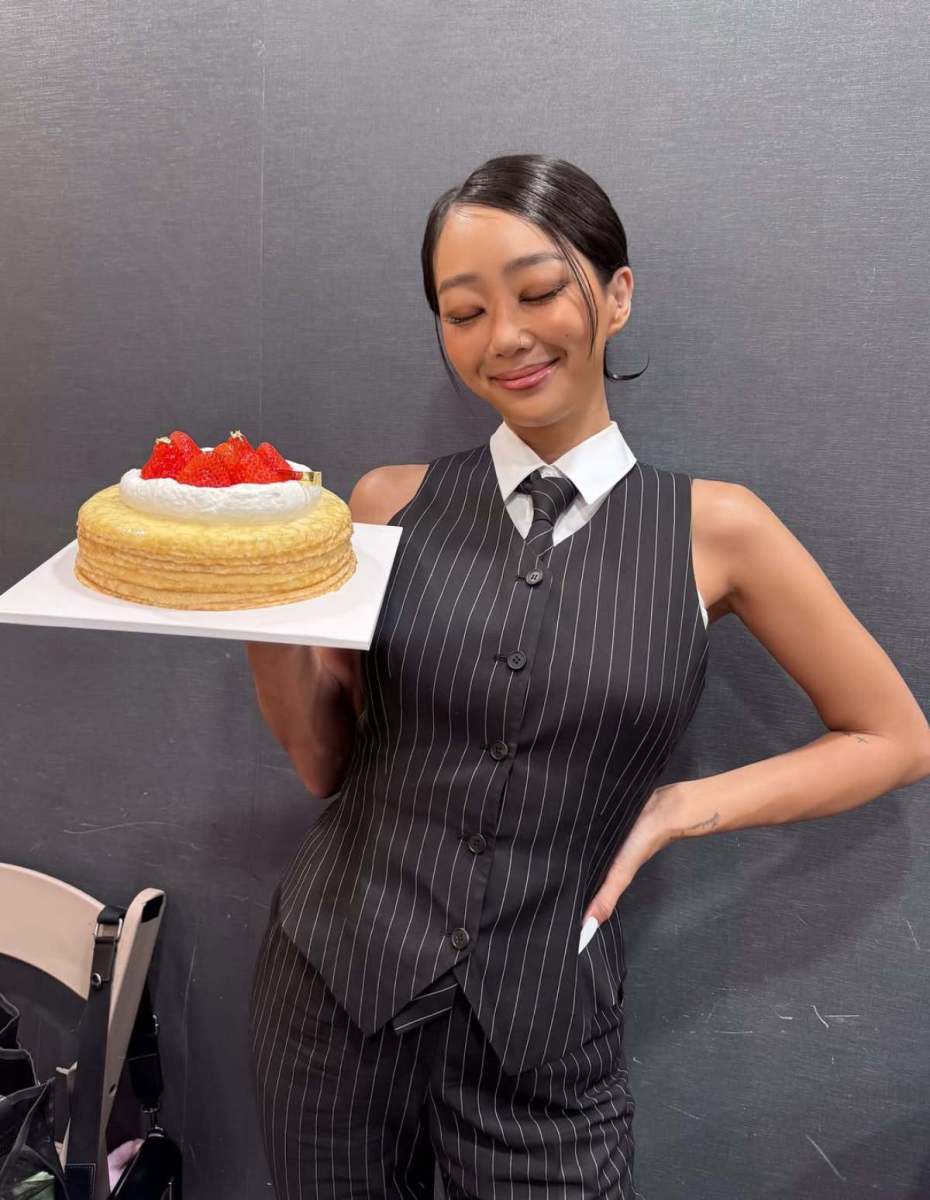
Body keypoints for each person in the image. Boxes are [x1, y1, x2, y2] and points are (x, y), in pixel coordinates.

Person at [244, 153, 930, 1199]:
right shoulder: (384, 503)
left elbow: (896, 737)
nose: (504, 337)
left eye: (537, 292)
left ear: (615, 295)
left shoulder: (719, 529)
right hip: (330, 1000)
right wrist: (258, 615)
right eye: (464, 311)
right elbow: (324, 764)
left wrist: (681, 808)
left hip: (546, 1037)